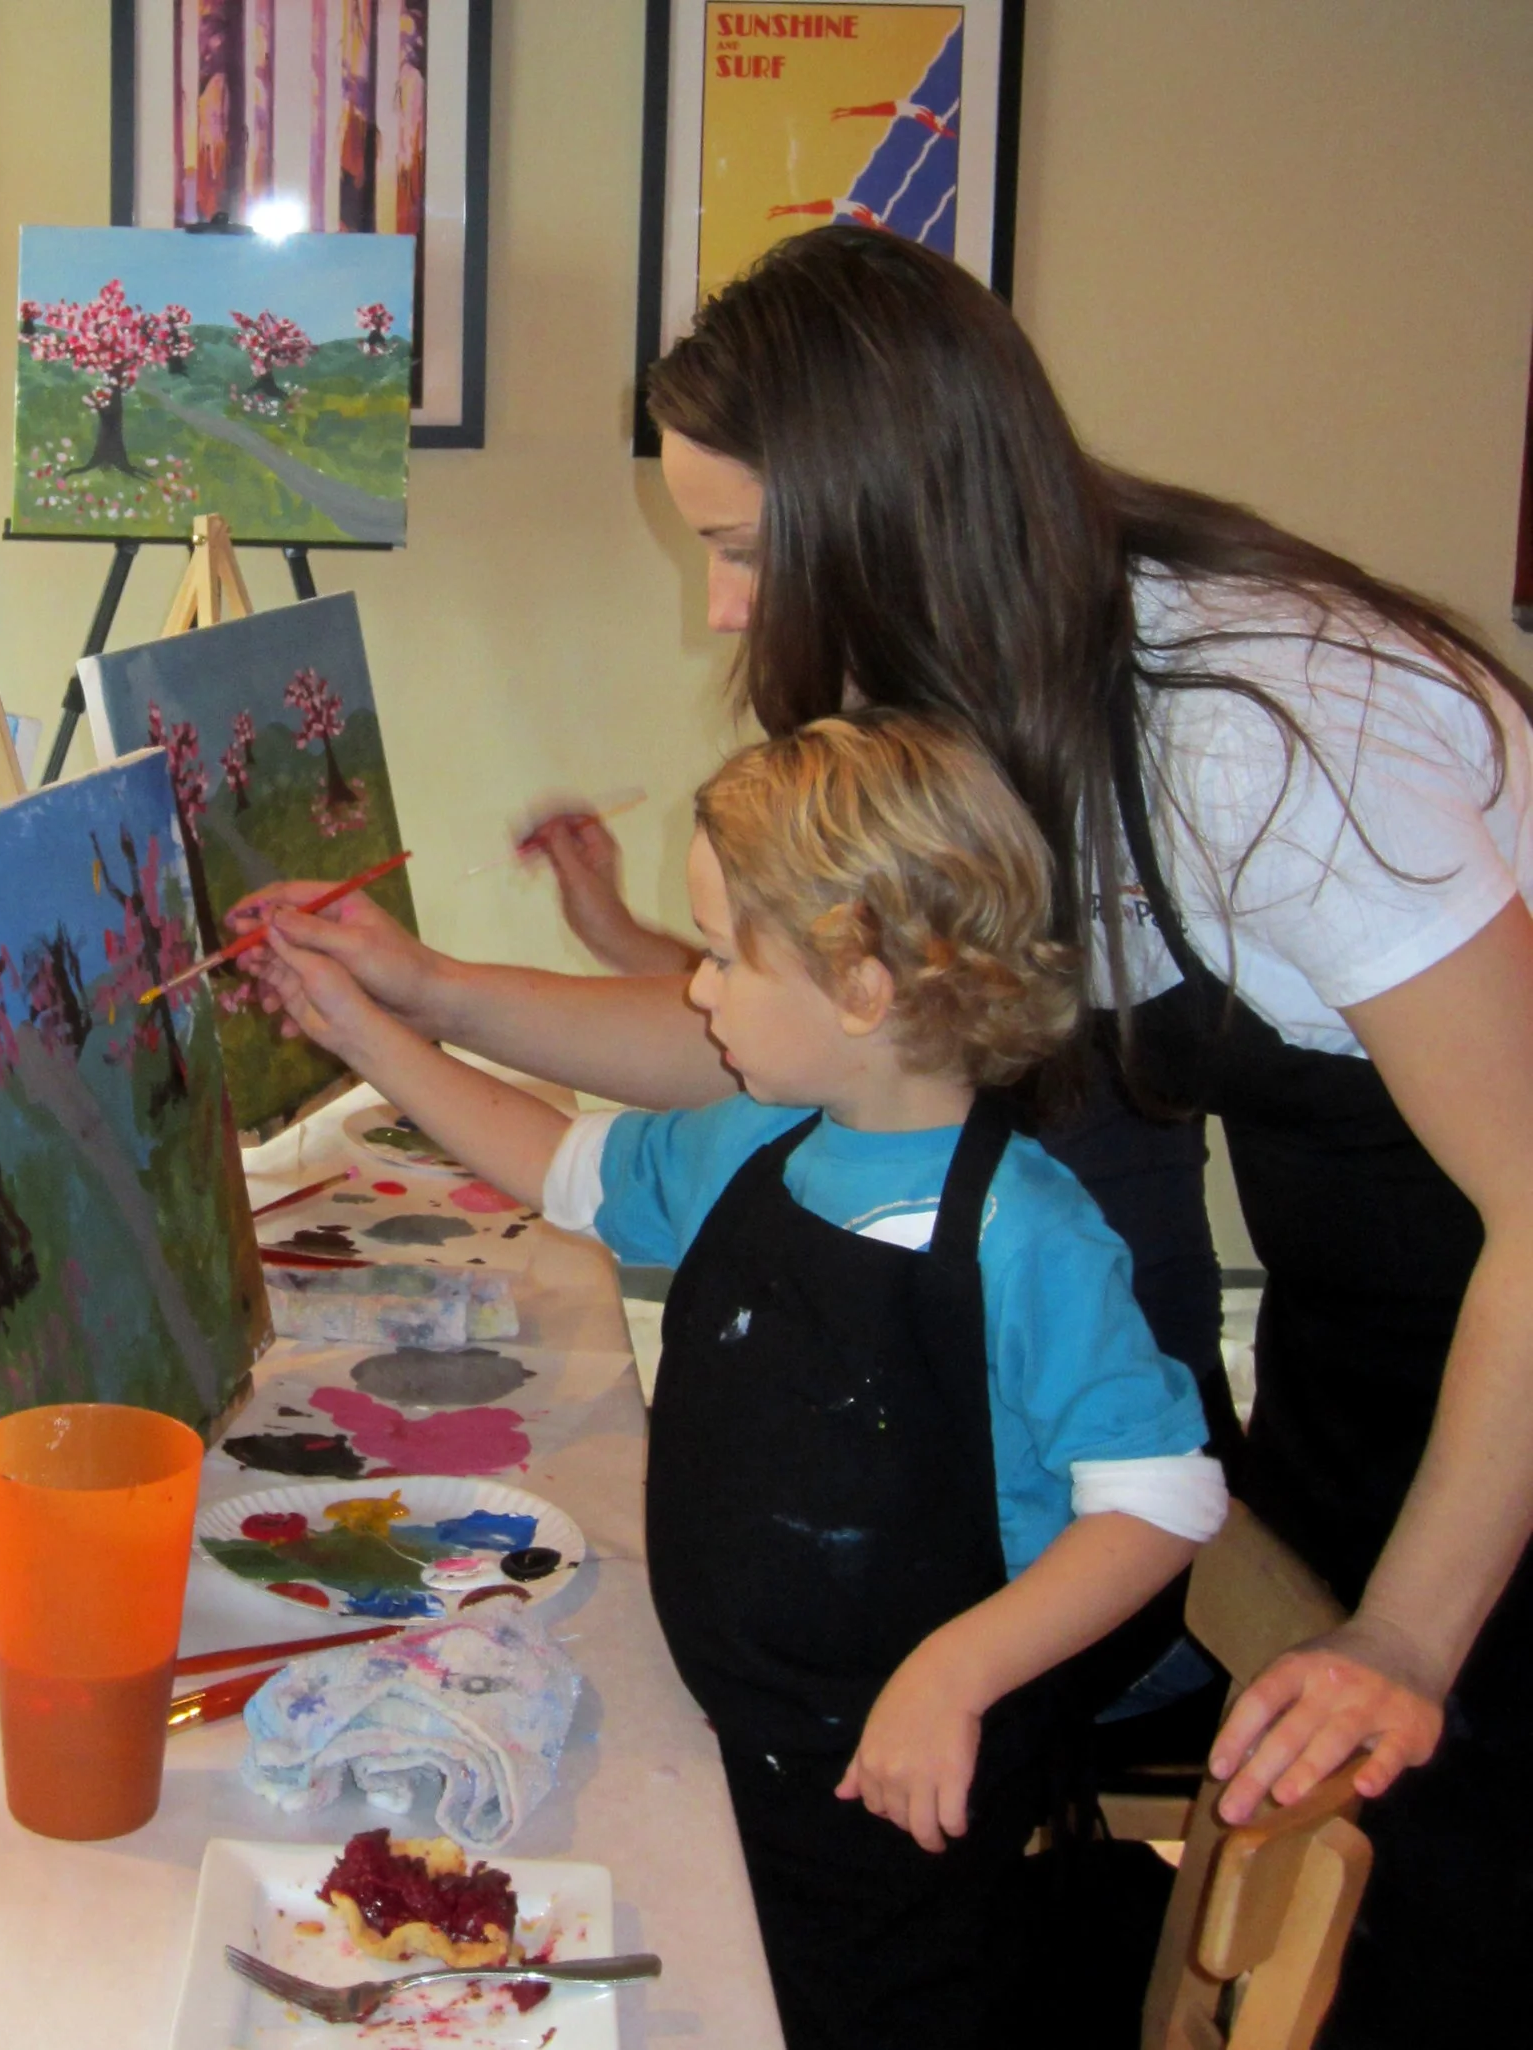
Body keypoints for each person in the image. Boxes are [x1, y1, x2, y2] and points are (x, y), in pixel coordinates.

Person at [247, 222, 1533, 2045]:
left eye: (742, 549)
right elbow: (764, 1040)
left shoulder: (1266, 727)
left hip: (1506, 1331)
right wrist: (429, 988)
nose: (719, 606)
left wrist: (1404, 1636)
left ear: (893, 515)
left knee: (1433, 1921)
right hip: (1375, 1324)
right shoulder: (988, 711)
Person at [252, 713, 1224, 2048]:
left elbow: (1163, 1501)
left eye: (718, 955)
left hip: (904, 1801)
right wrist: (366, 1031)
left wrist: (957, 1668)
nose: (694, 993)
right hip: (729, 1746)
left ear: (862, 985)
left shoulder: (1027, 1232)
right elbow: (557, 1162)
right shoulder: (754, 1146)